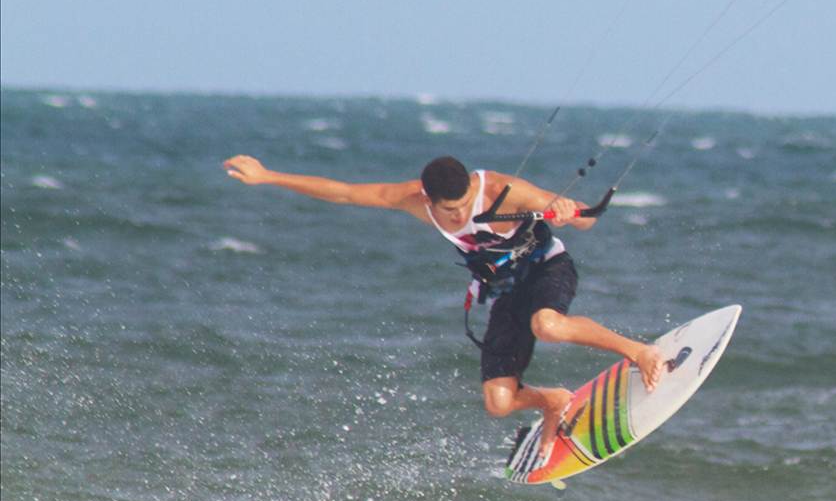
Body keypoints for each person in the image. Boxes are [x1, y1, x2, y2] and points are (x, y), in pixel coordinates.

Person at [223, 153, 660, 445]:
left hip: (547, 267)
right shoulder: (414, 200)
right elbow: (344, 192)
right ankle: (554, 400)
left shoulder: (502, 191)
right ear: (428, 199)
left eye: (465, 204)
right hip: (506, 289)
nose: (460, 215)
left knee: (546, 325)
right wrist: (269, 177)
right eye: (450, 210)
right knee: (499, 403)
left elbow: (586, 219)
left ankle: (639, 352)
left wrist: (570, 214)